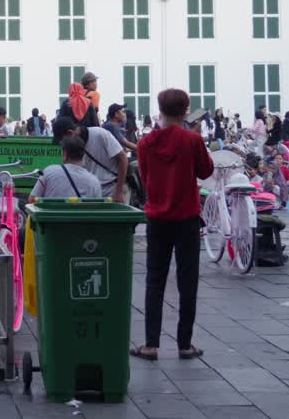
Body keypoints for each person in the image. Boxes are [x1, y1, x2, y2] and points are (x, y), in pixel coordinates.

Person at [132, 88, 214, 361]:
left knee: (154, 280)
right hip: (187, 217)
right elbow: (206, 171)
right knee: (187, 280)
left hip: (157, 217)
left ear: (160, 108)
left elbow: (144, 177)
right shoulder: (191, 140)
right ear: (185, 109)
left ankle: (151, 344)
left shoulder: (145, 144)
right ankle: (184, 344)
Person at [52, 115, 128, 203]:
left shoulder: (99, 134)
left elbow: (123, 158)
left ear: (70, 133)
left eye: (62, 140)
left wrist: (118, 191)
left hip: (112, 189)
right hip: (93, 192)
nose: (63, 144)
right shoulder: (72, 147)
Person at [29, 135, 101, 199]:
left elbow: (32, 200)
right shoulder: (94, 181)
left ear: (65, 153)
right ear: (84, 155)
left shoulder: (49, 171)